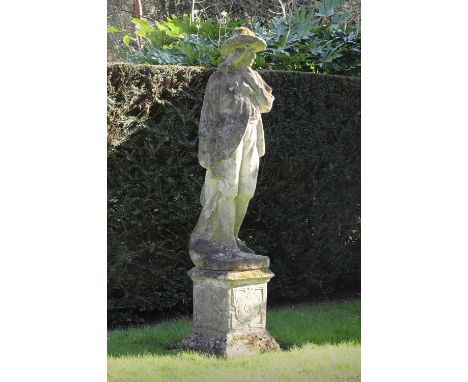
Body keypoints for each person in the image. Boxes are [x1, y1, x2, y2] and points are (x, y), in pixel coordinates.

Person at [189, 27, 275, 270]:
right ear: (237, 51)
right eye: (249, 51)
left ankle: (232, 239)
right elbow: (207, 116)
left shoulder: (253, 76)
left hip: (250, 137)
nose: (253, 57)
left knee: (245, 191)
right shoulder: (219, 78)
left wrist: (253, 86)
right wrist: (205, 150)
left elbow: (267, 104)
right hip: (226, 140)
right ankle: (219, 242)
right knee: (226, 189)